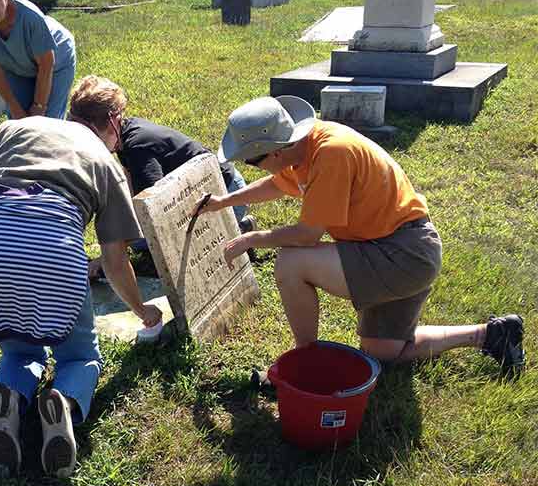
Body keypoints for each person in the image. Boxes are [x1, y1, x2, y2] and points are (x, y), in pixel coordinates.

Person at [196, 95, 525, 375]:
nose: (255, 168)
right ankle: (490, 335)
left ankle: (303, 360)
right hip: (401, 247)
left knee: (291, 262)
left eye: (252, 161)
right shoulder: (304, 149)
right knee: (383, 352)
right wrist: (226, 201)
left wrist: (254, 238)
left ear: (276, 152)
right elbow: (276, 185)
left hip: (403, 255)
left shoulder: (331, 154)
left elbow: (308, 235)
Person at [0, 83, 163, 479]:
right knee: (80, 355)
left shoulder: (18, 127)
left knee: (18, 351)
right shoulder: (107, 164)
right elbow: (116, 263)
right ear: (114, 122)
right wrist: (142, 309)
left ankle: (11, 399)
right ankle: (62, 401)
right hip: (52, 248)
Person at [82, 75, 254, 277]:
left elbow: (157, 211)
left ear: (113, 122)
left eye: (91, 135)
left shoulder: (138, 147)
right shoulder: (126, 134)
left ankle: (239, 231)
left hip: (227, 194)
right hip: (215, 190)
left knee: (181, 251)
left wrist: (110, 256)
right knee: (139, 242)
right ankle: (234, 228)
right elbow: (132, 192)